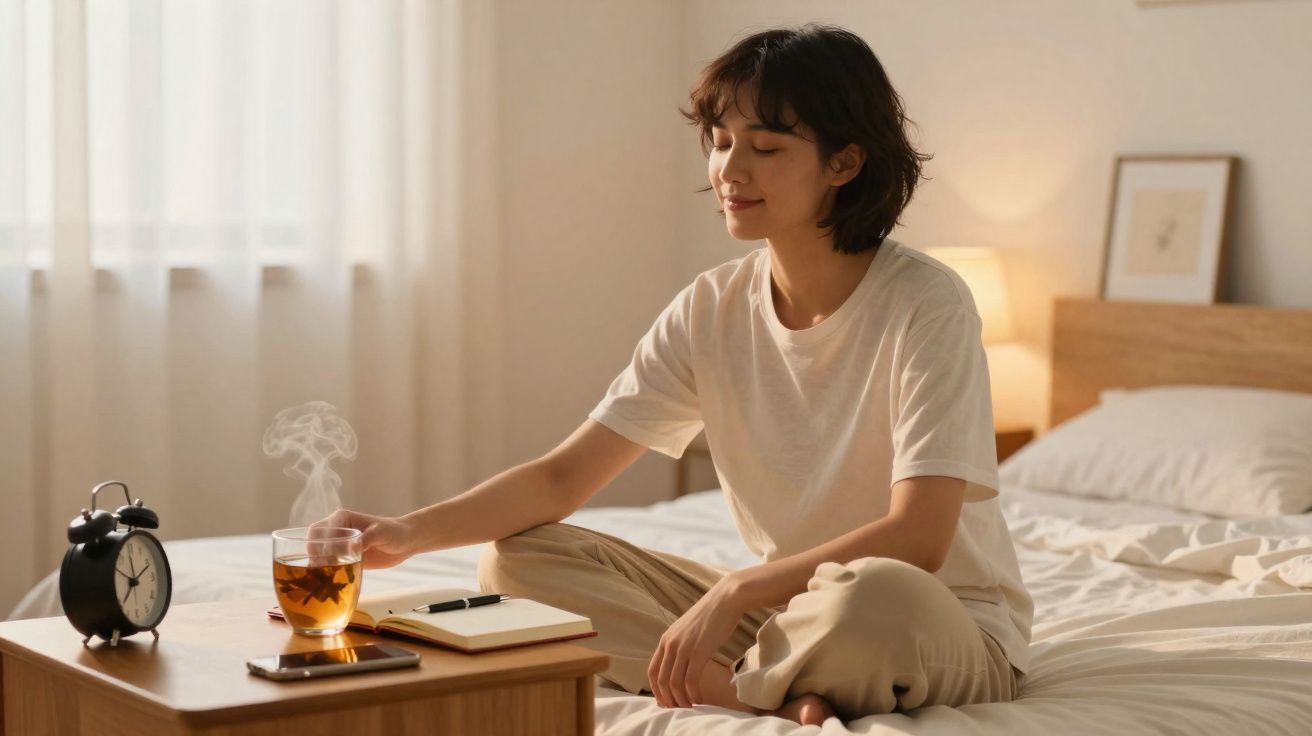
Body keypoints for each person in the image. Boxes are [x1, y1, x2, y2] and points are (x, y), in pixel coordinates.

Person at [316, 22, 1033, 727]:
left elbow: (918, 537)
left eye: (766, 147)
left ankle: (750, 683)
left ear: (844, 164)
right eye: (720, 144)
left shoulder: (927, 304)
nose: (729, 170)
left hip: (930, 618)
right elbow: (563, 480)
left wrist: (734, 594)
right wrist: (406, 532)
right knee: (519, 559)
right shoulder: (711, 307)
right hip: (785, 613)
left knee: (870, 598)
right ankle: (763, 691)